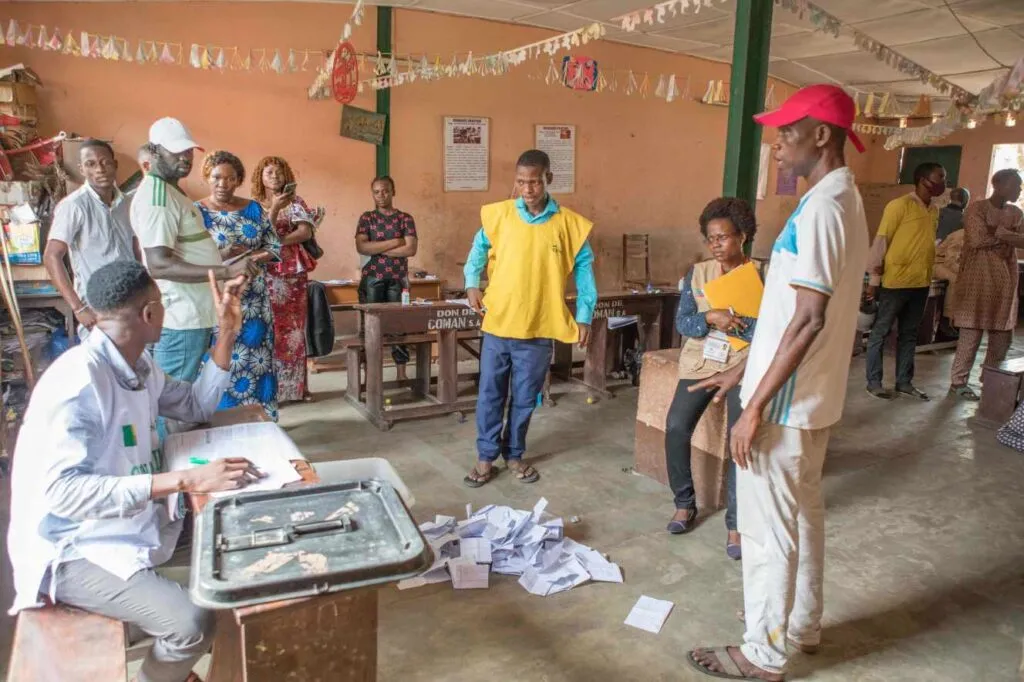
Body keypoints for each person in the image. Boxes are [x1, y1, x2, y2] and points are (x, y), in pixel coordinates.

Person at [687, 84, 869, 681]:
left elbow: (809, 319)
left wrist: (753, 406)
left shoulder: (824, 208)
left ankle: (762, 655)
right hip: (806, 401)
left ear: (822, 135)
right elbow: (788, 314)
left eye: (788, 131)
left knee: (768, 533)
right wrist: (743, 368)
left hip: (785, 407)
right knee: (803, 519)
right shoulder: (836, 199)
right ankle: (801, 626)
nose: (778, 143)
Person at [7, 260, 262, 682]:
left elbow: (196, 405)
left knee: (233, 535)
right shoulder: (80, 383)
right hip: (71, 550)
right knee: (190, 624)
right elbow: (64, 494)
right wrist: (186, 479)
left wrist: (227, 333)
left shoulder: (137, 365)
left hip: (128, 524)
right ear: (149, 313)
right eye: (162, 305)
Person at [462, 149, 596, 487]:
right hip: (499, 324)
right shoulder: (499, 215)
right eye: (521, 182)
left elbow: (584, 272)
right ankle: (485, 457)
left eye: (534, 182)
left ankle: (514, 454)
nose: (527, 189)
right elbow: (477, 250)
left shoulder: (569, 225)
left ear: (548, 179)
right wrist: (472, 282)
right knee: (490, 394)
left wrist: (584, 316)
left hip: (539, 328)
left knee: (525, 398)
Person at [130, 118, 259, 393]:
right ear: (154, 152)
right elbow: (159, 264)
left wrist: (219, 256)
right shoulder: (158, 198)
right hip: (182, 316)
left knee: (179, 392)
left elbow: (179, 250)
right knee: (172, 398)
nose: (185, 158)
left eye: (188, 151)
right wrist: (226, 271)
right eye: (176, 151)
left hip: (192, 312)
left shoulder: (171, 191)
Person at [665, 197, 761, 561]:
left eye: (723, 237)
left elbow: (771, 330)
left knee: (740, 441)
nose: (716, 245)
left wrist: (737, 323)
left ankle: (736, 524)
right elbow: (684, 322)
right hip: (703, 362)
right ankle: (684, 503)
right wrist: (710, 317)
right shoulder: (698, 273)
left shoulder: (762, 275)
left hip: (744, 364)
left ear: (743, 236)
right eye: (710, 239)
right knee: (676, 426)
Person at [196, 151, 282, 420]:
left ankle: (263, 419)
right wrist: (223, 257)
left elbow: (274, 246)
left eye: (230, 178)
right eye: (216, 177)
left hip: (254, 301)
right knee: (221, 358)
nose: (223, 184)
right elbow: (190, 257)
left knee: (258, 358)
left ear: (239, 180)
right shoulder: (196, 212)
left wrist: (252, 259)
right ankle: (222, 420)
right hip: (217, 302)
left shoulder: (254, 209)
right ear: (207, 178)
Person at [864, 161, 946, 401]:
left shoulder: (934, 210)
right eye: (939, 177)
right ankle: (874, 382)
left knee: (909, 334)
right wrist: (874, 281)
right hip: (895, 282)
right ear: (922, 180)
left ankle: (904, 382)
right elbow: (881, 242)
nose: (943, 183)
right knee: (880, 333)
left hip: (920, 282)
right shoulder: (899, 206)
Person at [45, 139, 141, 338]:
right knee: (102, 357)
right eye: (91, 164)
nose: (100, 169)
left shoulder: (127, 204)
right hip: (97, 308)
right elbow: (52, 256)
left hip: (131, 302)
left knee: (135, 356)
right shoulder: (74, 206)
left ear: (115, 165)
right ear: (82, 169)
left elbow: (135, 250)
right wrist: (78, 308)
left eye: (105, 162)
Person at [948, 169, 1024, 400]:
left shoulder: (1016, 212)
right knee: (971, 336)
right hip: (977, 282)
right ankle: (958, 383)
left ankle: (989, 380)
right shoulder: (976, 209)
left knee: (1002, 338)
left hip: (1005, 283)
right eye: (1016, 185)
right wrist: (1008, 236)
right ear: (998, 184)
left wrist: (999, 233)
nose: (1019, 189)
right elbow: (977, 239)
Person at [252, 156, 318, 404]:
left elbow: (305, 232)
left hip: (293, 272)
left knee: (295, 330)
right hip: (266, 272)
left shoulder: (296, 202)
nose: (274, 177)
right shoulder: (254, 206)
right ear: (260, 178)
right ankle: (272, 390)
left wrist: (276, 243)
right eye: (269, 172)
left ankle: (297, 389)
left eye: (279, 172)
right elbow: (259, 235)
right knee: (270, 329)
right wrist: (274, 209)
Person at [355, 176, 418, 381]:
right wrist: (396, 241)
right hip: (372, 278)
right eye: (376, 192)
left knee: (398, 327)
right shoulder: (367, 218)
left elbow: (410, 249)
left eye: (385, 191)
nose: (381, 195)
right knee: (370, 327)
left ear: (393, 191)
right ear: (372, 194)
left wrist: (377, 248)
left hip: (398, 279)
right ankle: (370, 375)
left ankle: (401, 374)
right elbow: (362, 247)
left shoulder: (405, 218)